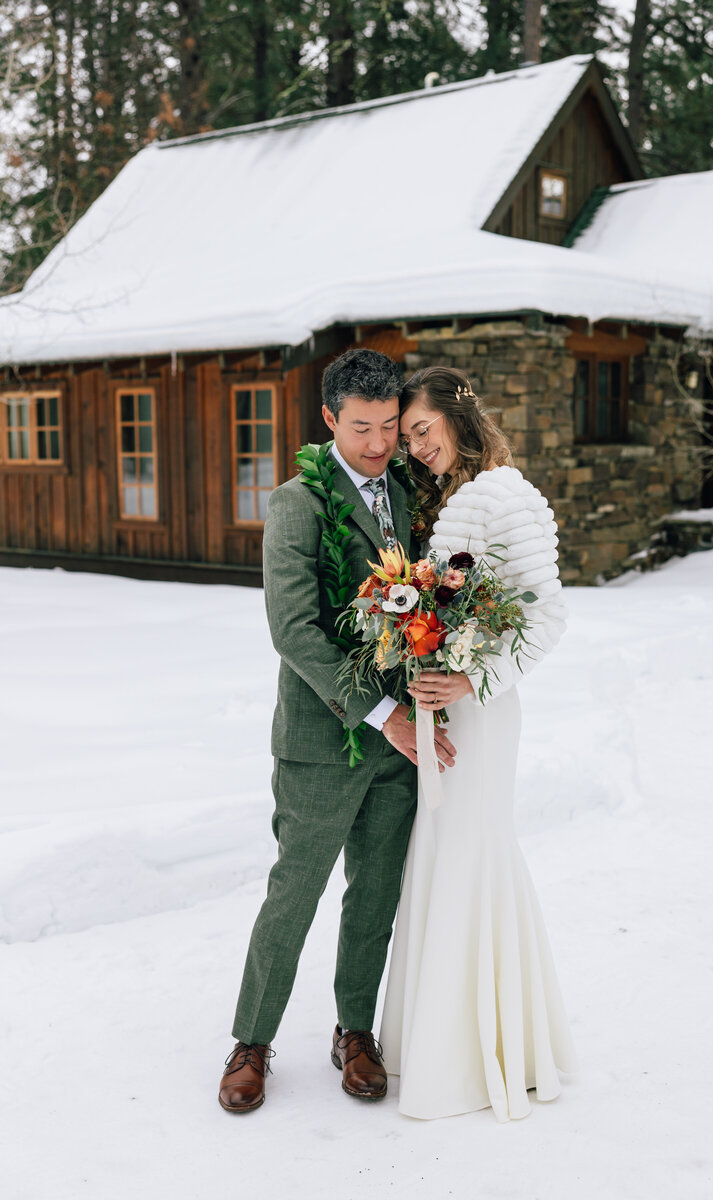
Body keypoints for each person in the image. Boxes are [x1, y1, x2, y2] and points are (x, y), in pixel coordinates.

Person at [218, 349, 457, 1113]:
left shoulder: (412, 490)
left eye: (390, 426)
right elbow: (293, 630)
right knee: (294, 895)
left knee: (376, 895)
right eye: (362, 428)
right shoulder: (297, 502)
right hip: (328, 739)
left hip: (405, 740)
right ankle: (251, 1041)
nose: (380, 442)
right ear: (328, 420)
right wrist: (382, 715)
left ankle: (355, 1031)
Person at [380, 365, 579, 1122]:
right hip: (445, 705)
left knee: (473, 848)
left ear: (461, 420)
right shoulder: (459, 498)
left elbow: (546, 615)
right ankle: (442, 1034)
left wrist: (472, 682)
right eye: (408, 439)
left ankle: (487, 1047)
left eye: (422, 431)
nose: (417, 447)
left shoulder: (505, 494)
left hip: (481, 709)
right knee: (441, 849)